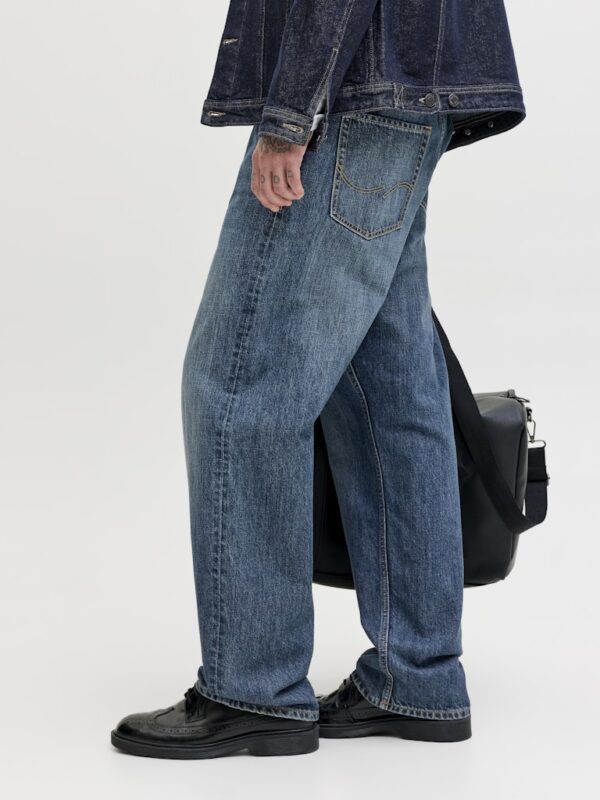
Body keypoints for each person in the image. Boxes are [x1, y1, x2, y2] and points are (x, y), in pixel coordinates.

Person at [111, 1, 524, 759]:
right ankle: (418, 676)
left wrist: (290, 113)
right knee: (390, 396)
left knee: (240, 386)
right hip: (407, 90)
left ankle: (252, 687)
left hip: (348, 95)